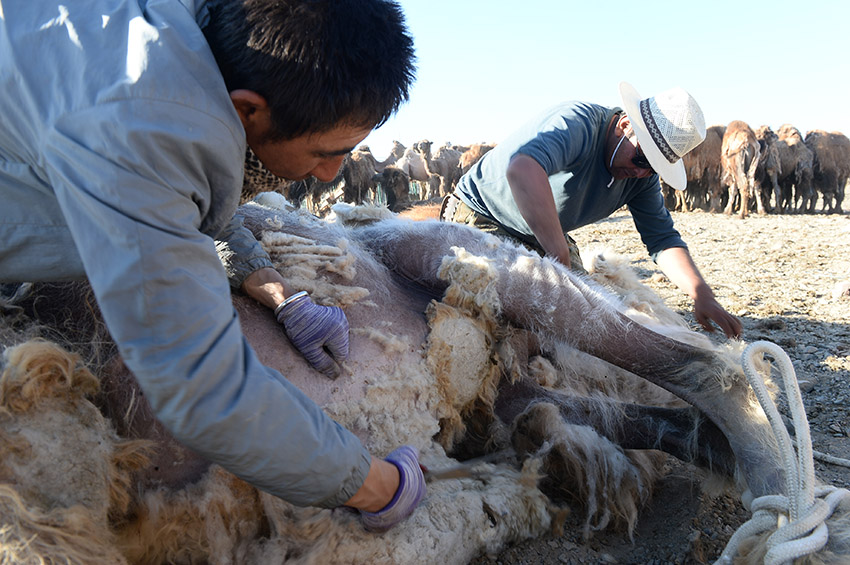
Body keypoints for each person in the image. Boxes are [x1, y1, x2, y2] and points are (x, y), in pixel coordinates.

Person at [0, 0, 424, 532]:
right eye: (324, 151)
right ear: (248, 110)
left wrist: (281, 296)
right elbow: (199, 386)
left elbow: (186, 198)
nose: (331, 172)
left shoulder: (189, 39)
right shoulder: (142, 119)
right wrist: (378, 486)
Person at [441, 82, 742, 339]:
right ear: (625, 125)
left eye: (653, 168)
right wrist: (558, 260)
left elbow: (662, 239)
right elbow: (522, 169)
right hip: (480, 215)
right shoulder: (579, 124)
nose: (641, 173)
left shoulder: (639, 178)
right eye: (641, 159)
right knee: (504, 317)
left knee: (582, 316)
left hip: (539, 234)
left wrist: (700, 292)